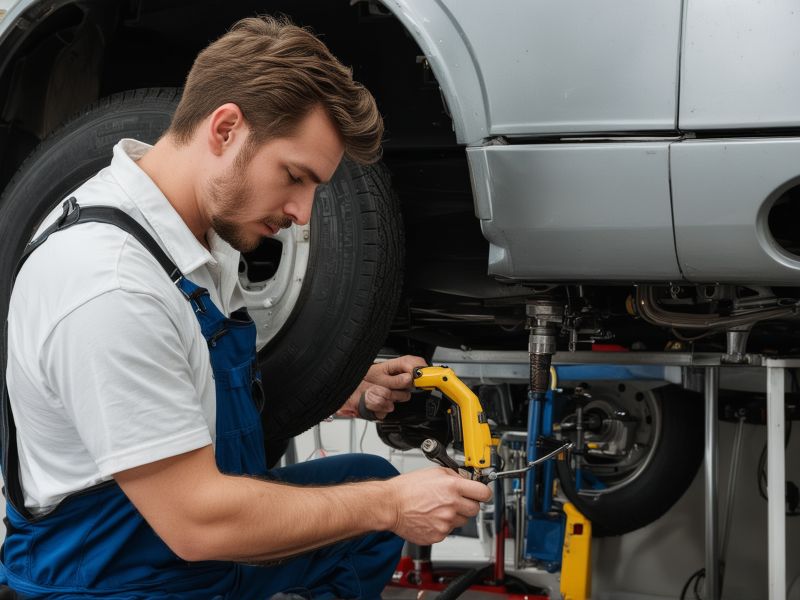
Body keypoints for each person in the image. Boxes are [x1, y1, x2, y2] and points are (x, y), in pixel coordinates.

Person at [0, 15, 491, 600]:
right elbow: (195, 522)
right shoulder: (109, 285)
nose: (304, 213)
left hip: (186, 558)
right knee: (376, 498)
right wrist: (389, 506)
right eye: (294, 177)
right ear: (226, 128)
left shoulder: (193, 240)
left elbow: (184, 384)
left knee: (364, 480)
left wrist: (345, 391)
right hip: (121, 580)